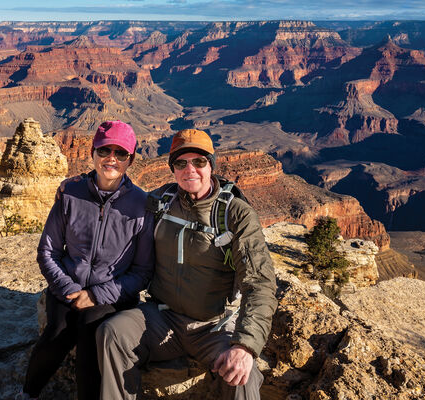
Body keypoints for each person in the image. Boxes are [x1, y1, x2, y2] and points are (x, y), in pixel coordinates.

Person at [96, 128, 276, 399]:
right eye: (181, 163)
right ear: (172, 169)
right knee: (112, 333)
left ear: (211, 165)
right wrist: (74, 190)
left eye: (199, 162)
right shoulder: (161, 202)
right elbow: (114, 204)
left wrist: (246, 346)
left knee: (243, 377)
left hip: (213, 326)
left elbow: (260, 282)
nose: (190, 169)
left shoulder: (235, 213)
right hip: (160, 317)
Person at [17, 120, 155, 400]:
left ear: (131, 159)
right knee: (56, 334)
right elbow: (48, 251)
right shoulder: (70, 194)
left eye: (121, 153)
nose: (111, 160)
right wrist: (68, 288)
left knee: (91, 336)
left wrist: (96, 294)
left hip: (113, 294)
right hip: (67, 286)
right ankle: (28, 394)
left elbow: (142, 271)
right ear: (92, 153)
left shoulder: (142, 205)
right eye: (104, 151)